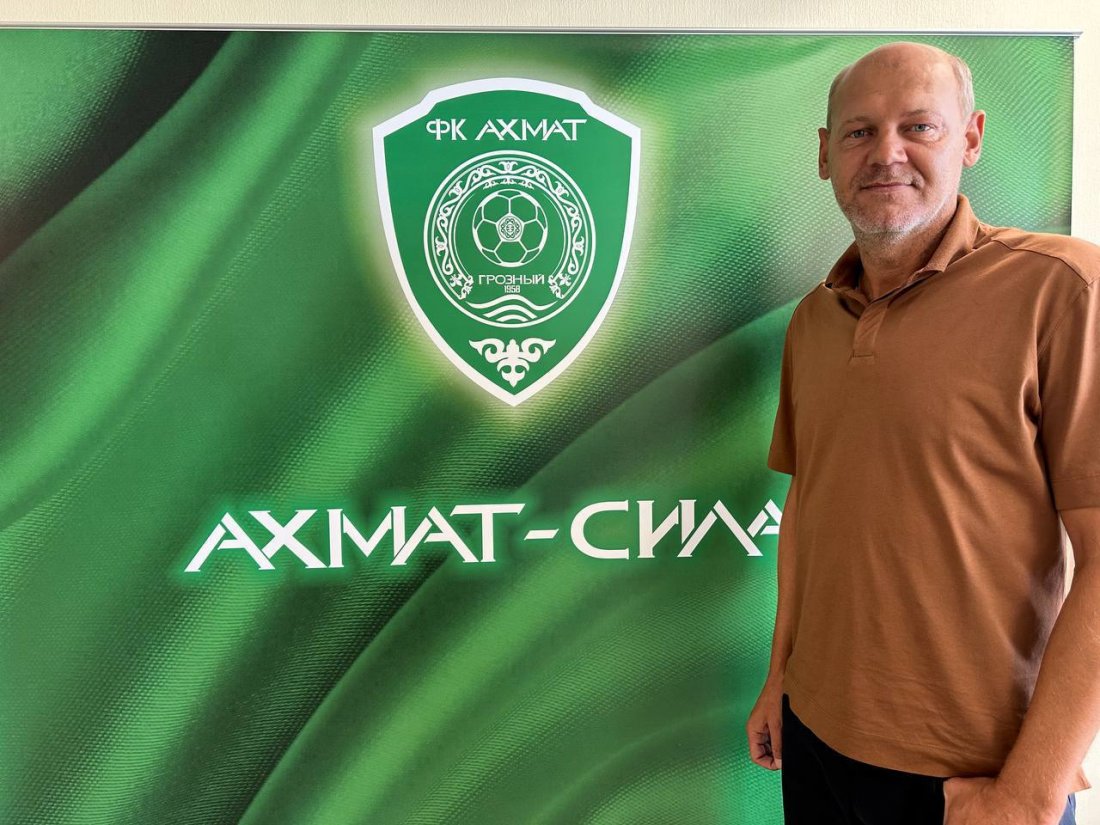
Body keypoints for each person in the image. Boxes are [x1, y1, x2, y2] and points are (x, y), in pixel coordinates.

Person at [746, 41, 1100, 825]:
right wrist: (781, 677)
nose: (887, 153)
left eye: (919, 127)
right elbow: (809, 508)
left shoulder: (1064, 289)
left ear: (970, 138)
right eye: (859, 132)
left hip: (973, 779)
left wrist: (1029, 795)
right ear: (825, 154)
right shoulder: (813, 320)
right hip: (817, 740)